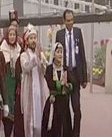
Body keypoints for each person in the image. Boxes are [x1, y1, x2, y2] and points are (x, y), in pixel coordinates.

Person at [54, 9, 87, 137]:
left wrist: (84, 77)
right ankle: (66, 133)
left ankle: (76, 133)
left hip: (76, 74)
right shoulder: (59, 34)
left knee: (77, 109)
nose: (70, 23)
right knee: (64, 108)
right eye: (68, 21)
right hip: (64, 75)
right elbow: (56, 55)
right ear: (64, 21)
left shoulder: (78, 33)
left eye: (72, 20)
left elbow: (82, 54)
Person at [20, 25, 49, 137]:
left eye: (34, 38)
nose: (33, 41)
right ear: (27, 41)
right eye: (31, 38)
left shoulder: (41, 54)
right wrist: (35, 58)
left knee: (40, 122)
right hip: (29, 93)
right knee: (29, 122)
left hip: (39, 93)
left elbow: (45, 70)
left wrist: (40, 59)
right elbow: (26, 68)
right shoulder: (24, 55)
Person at [42, 42, 73, 137]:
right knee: (53, 125)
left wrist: (67, 86)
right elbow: (50, 83)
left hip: (64, 101)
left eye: (61, 52)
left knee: (65, 126)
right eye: (58, 52)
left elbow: (71, 84)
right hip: (53, 101)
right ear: (53, 54)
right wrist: (60, 84)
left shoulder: (65, 68)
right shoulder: (49, 69)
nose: (60, 54)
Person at [0, 26, 21, 137]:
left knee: (16, 112)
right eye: (10, 35)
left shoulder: (19, 49)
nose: (12, 37)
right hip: (6, 83)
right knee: (6, 111)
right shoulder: (2, 49)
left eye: (14, 35)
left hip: (16, 85)